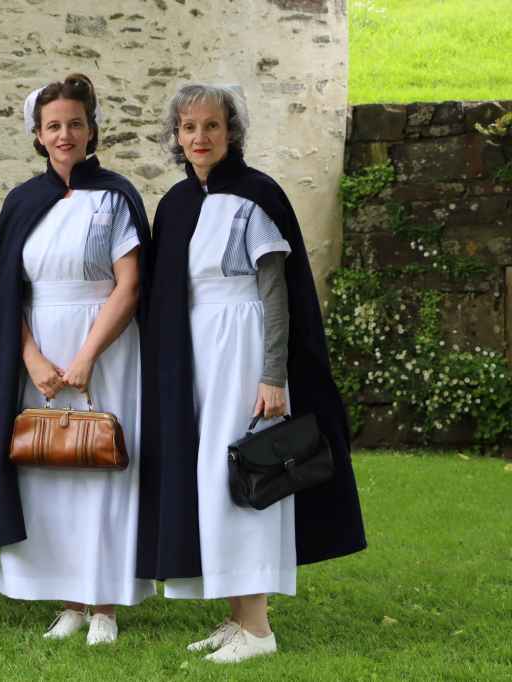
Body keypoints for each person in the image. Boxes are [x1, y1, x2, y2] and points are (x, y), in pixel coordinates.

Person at [137, 83, 367, 663]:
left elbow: (277, 297)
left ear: (231, 131)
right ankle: (236, 616)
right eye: (188, 128)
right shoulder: (176, 203)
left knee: (248, 479)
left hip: (242, 349)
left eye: (211, 126)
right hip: (198, 355)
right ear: (176, 136)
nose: (199, 137)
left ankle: (259, 629)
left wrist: (272, 376)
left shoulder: (258, 196)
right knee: (212, 484)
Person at [0, 74, 154, 645]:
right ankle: (70, 604)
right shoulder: (21, 202)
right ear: (37, 135)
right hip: (39, 352)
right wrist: (31, 357)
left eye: (75, 124)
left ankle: (105, 605)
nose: (65, 135)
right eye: (54, 126)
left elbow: (129, 286)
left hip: (105, 345)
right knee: (50, 471)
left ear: (92, 130)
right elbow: (5, 290)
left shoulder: (116, 196)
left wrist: (86, 357)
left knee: (103, 466)